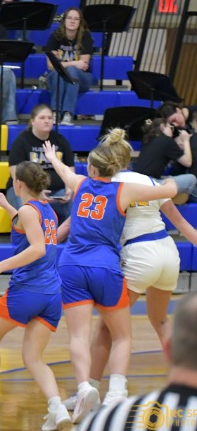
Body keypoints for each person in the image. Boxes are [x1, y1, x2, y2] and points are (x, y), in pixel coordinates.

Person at [42, 128, 178, 424]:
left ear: (91, 168)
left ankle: (84, 388)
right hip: (105, 267)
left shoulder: (79, 183)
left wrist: (52, 157)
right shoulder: (124, 190)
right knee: (122, 335)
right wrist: (170, 182)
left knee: (78, 335)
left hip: (71, 266)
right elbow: (168, 192)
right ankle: (116, 393)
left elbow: (63, 171)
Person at [61, 158, 197, 413]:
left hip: (139, 254)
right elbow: (181, 223)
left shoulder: (108, 185)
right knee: (161, 321)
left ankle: (96, 392)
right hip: (168, 253)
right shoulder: (150, 182)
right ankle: (188, 381)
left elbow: (74, 222)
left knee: (108, 328)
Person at [0, 161, 71, 431]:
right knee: (33, 358)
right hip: (52, 294)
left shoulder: (27, 210)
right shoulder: (46, 209)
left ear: (18, 184)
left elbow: (37, 248)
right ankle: (57, 409)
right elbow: (26, 224)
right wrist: (6, 205)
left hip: (27, 290)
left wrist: (0, 266)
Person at [76, 291, 197, 431]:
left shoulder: (102, 420)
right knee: (152, 323)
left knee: (110, 329)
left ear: (168, 348)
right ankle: (114, 390)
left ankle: (101, 388)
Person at [6, 104, 74, 223]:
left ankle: (64, 235)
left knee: (74, 206)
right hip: (26, 189)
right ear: (32, 121)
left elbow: (70, 168)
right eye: (42, 118)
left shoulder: (60, 140)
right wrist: (35, 192)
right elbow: (16, 173)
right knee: (27, 212)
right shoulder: (21, 141)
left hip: (57, 192)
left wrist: (69, 188)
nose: (47, 121)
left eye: (49, 118)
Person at [44, 7, 94, 126]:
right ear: (64, 20)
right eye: (69, 18)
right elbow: (50, 66)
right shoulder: (56, 36)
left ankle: (67, 113)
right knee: (60, 72)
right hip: (58, 77)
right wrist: (74, 63)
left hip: (82, 79)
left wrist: (61, 64)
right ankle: (56, 112)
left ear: (80, 22)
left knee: (71, 71)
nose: (72, 21)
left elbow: (84, 65)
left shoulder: (85, 36)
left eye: (76, 19)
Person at [133, 117, 196, 203]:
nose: (172, 132)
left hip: (138, 184)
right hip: (151, 185)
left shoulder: (148, 140)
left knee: (169, 177)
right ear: (163, 127)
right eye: (171, 128)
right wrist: (186, 140)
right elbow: (188, 162)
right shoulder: (167, 140)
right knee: (191, 179)